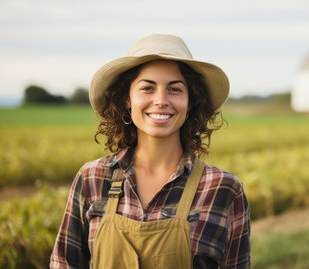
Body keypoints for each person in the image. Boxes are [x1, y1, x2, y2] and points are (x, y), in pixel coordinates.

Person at [50, 34, 251, 268]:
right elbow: (63, 263)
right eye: (147, 88)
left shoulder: (223, 188)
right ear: (127, 99)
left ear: (191, 101)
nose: (161, 100)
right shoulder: (92, 178)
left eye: (175, 90)